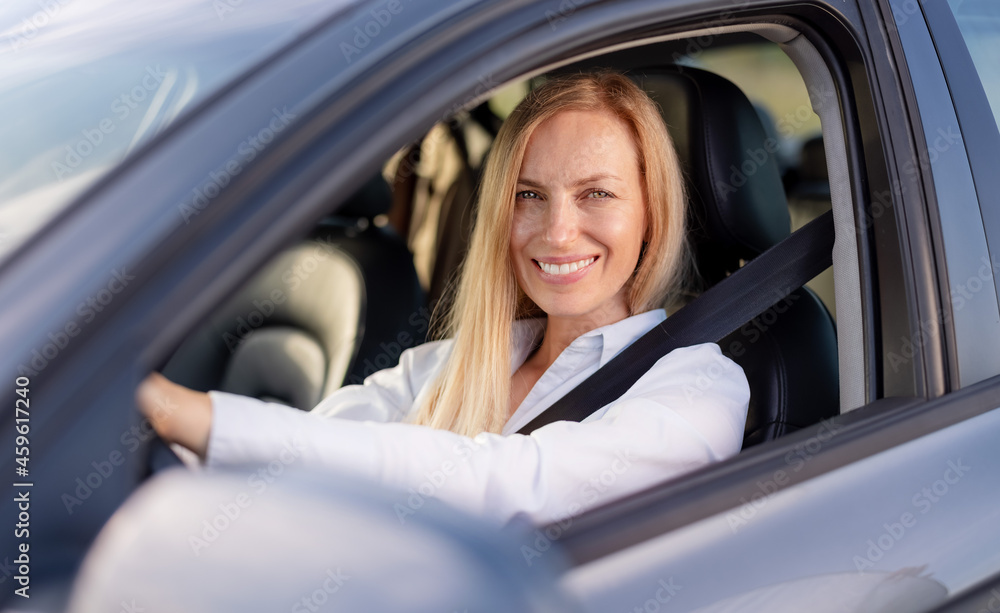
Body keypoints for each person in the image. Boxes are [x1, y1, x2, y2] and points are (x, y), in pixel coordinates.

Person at [137, 71, 750, 527]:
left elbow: (506, 485)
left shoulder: (698, 389)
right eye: (530, 195)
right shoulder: (448, 363)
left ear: (652, 211)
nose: (557, 231)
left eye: (597, 194)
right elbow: (306, 453)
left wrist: (197, 417)